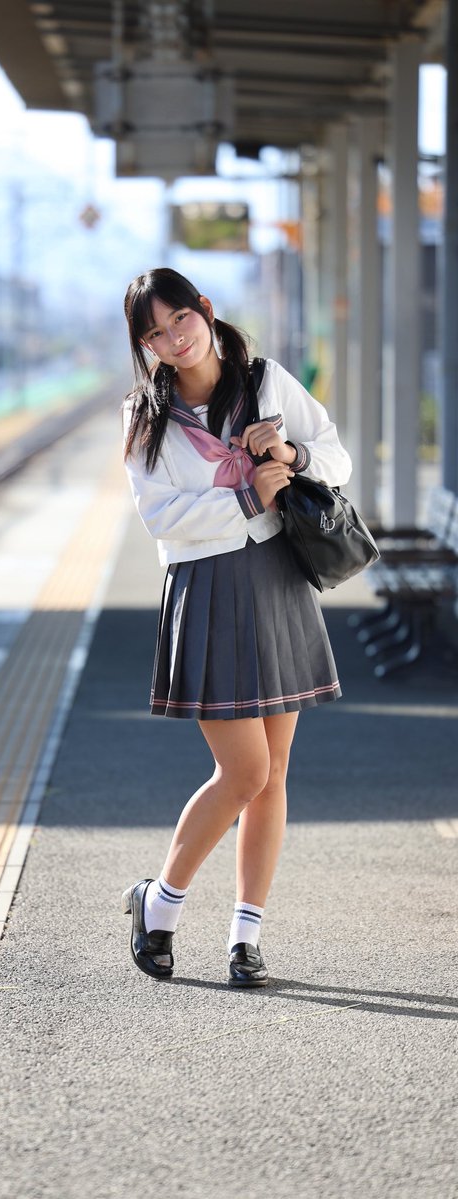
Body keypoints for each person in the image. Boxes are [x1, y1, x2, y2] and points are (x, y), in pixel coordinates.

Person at [120, 267, 352, 988]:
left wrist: (289, 455)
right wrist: (248, 496)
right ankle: (160, 902)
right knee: (243, 771)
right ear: (144, 344)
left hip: (278, 580)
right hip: (207, 588)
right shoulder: (145, 416)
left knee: (275, 772)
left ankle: (246, 935)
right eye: (154, 333)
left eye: (179, 319)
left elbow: (335, 457)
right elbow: (162, 518)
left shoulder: (266, 382)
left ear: (205, 311)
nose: (173, 339)